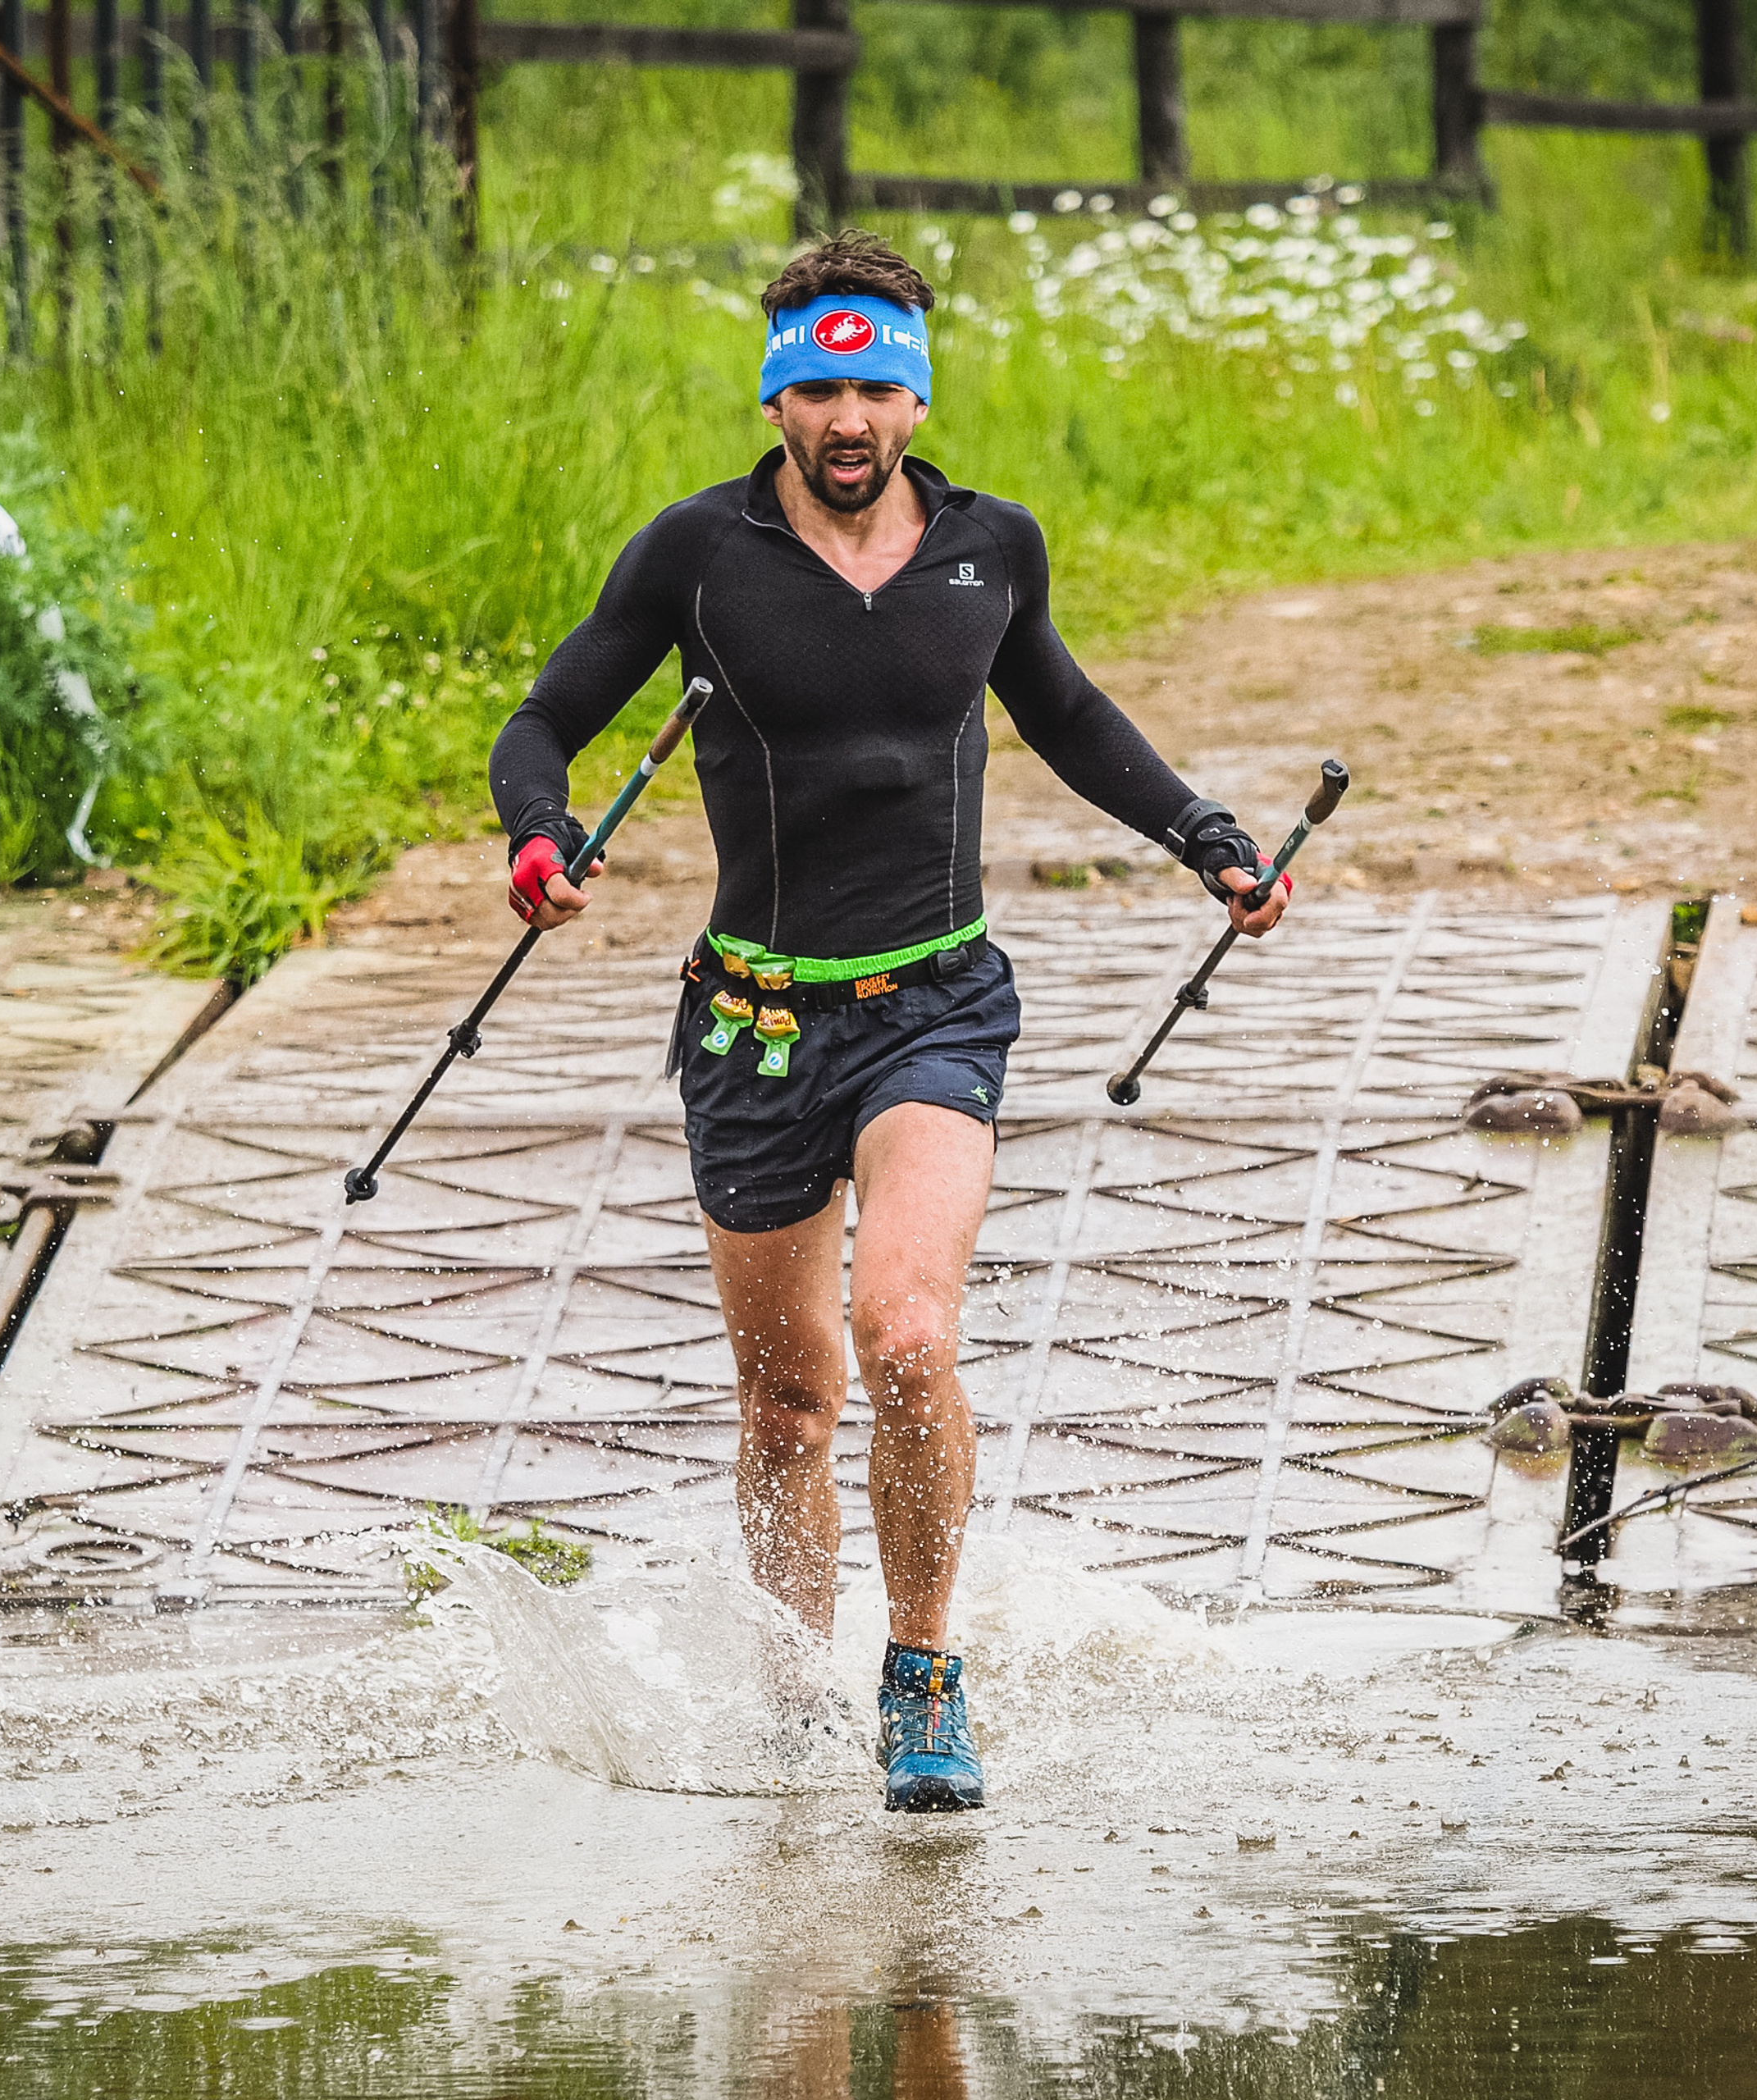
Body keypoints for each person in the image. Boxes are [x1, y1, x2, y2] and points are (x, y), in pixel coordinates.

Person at [490, 229, 1288, 1813]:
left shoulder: (994, 548)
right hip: (753, 1030)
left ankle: (922, 1672)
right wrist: (537, 833)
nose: (846, 418)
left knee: (907, 1331)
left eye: (875, 387)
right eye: (817, 388)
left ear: (915, 399)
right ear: (777, 397)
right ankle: (795, 1701)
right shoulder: (697, 555)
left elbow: (1059, 707)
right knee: (788, 1407)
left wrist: (1202, 832)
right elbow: (548, 716)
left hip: (937, 1006)